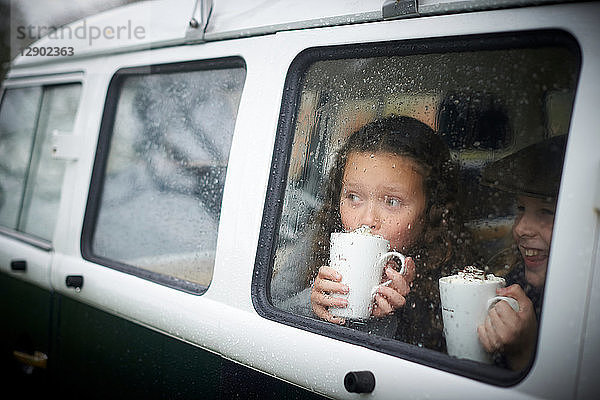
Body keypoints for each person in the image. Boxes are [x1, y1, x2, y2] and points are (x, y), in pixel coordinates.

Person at [308, 115, 463, 350]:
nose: (367, 220)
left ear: (432, 213)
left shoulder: (457, 288)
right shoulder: (317, 242)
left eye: (391, 202)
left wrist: (406, 311)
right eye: (353, 197)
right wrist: (315, 304)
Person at [478, 135, 567, 370]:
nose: (520, 228)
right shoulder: (517, 282)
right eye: (521, 208)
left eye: (546, 212)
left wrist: (524, 351)